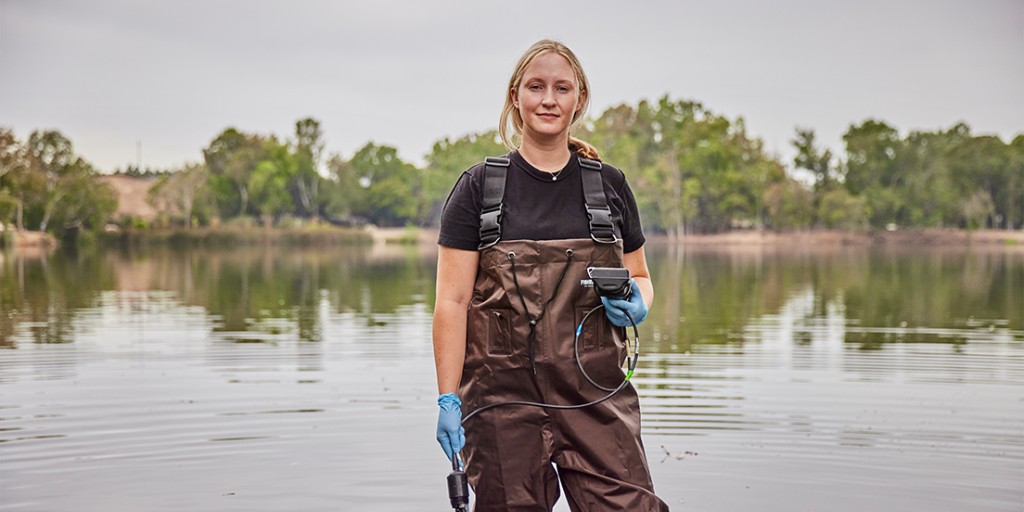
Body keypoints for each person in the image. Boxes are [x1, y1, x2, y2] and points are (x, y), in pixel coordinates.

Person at [433, 39, 669, 511]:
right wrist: (447, 398)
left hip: (596, 398)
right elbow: (451, 303)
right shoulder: (479, 189)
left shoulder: (609, 186)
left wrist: (638, 300)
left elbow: (639, 275)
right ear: (515, 97)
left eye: (562, 88)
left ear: (579, 100)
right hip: (501, 403)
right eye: (536, 87)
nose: (548, 99)